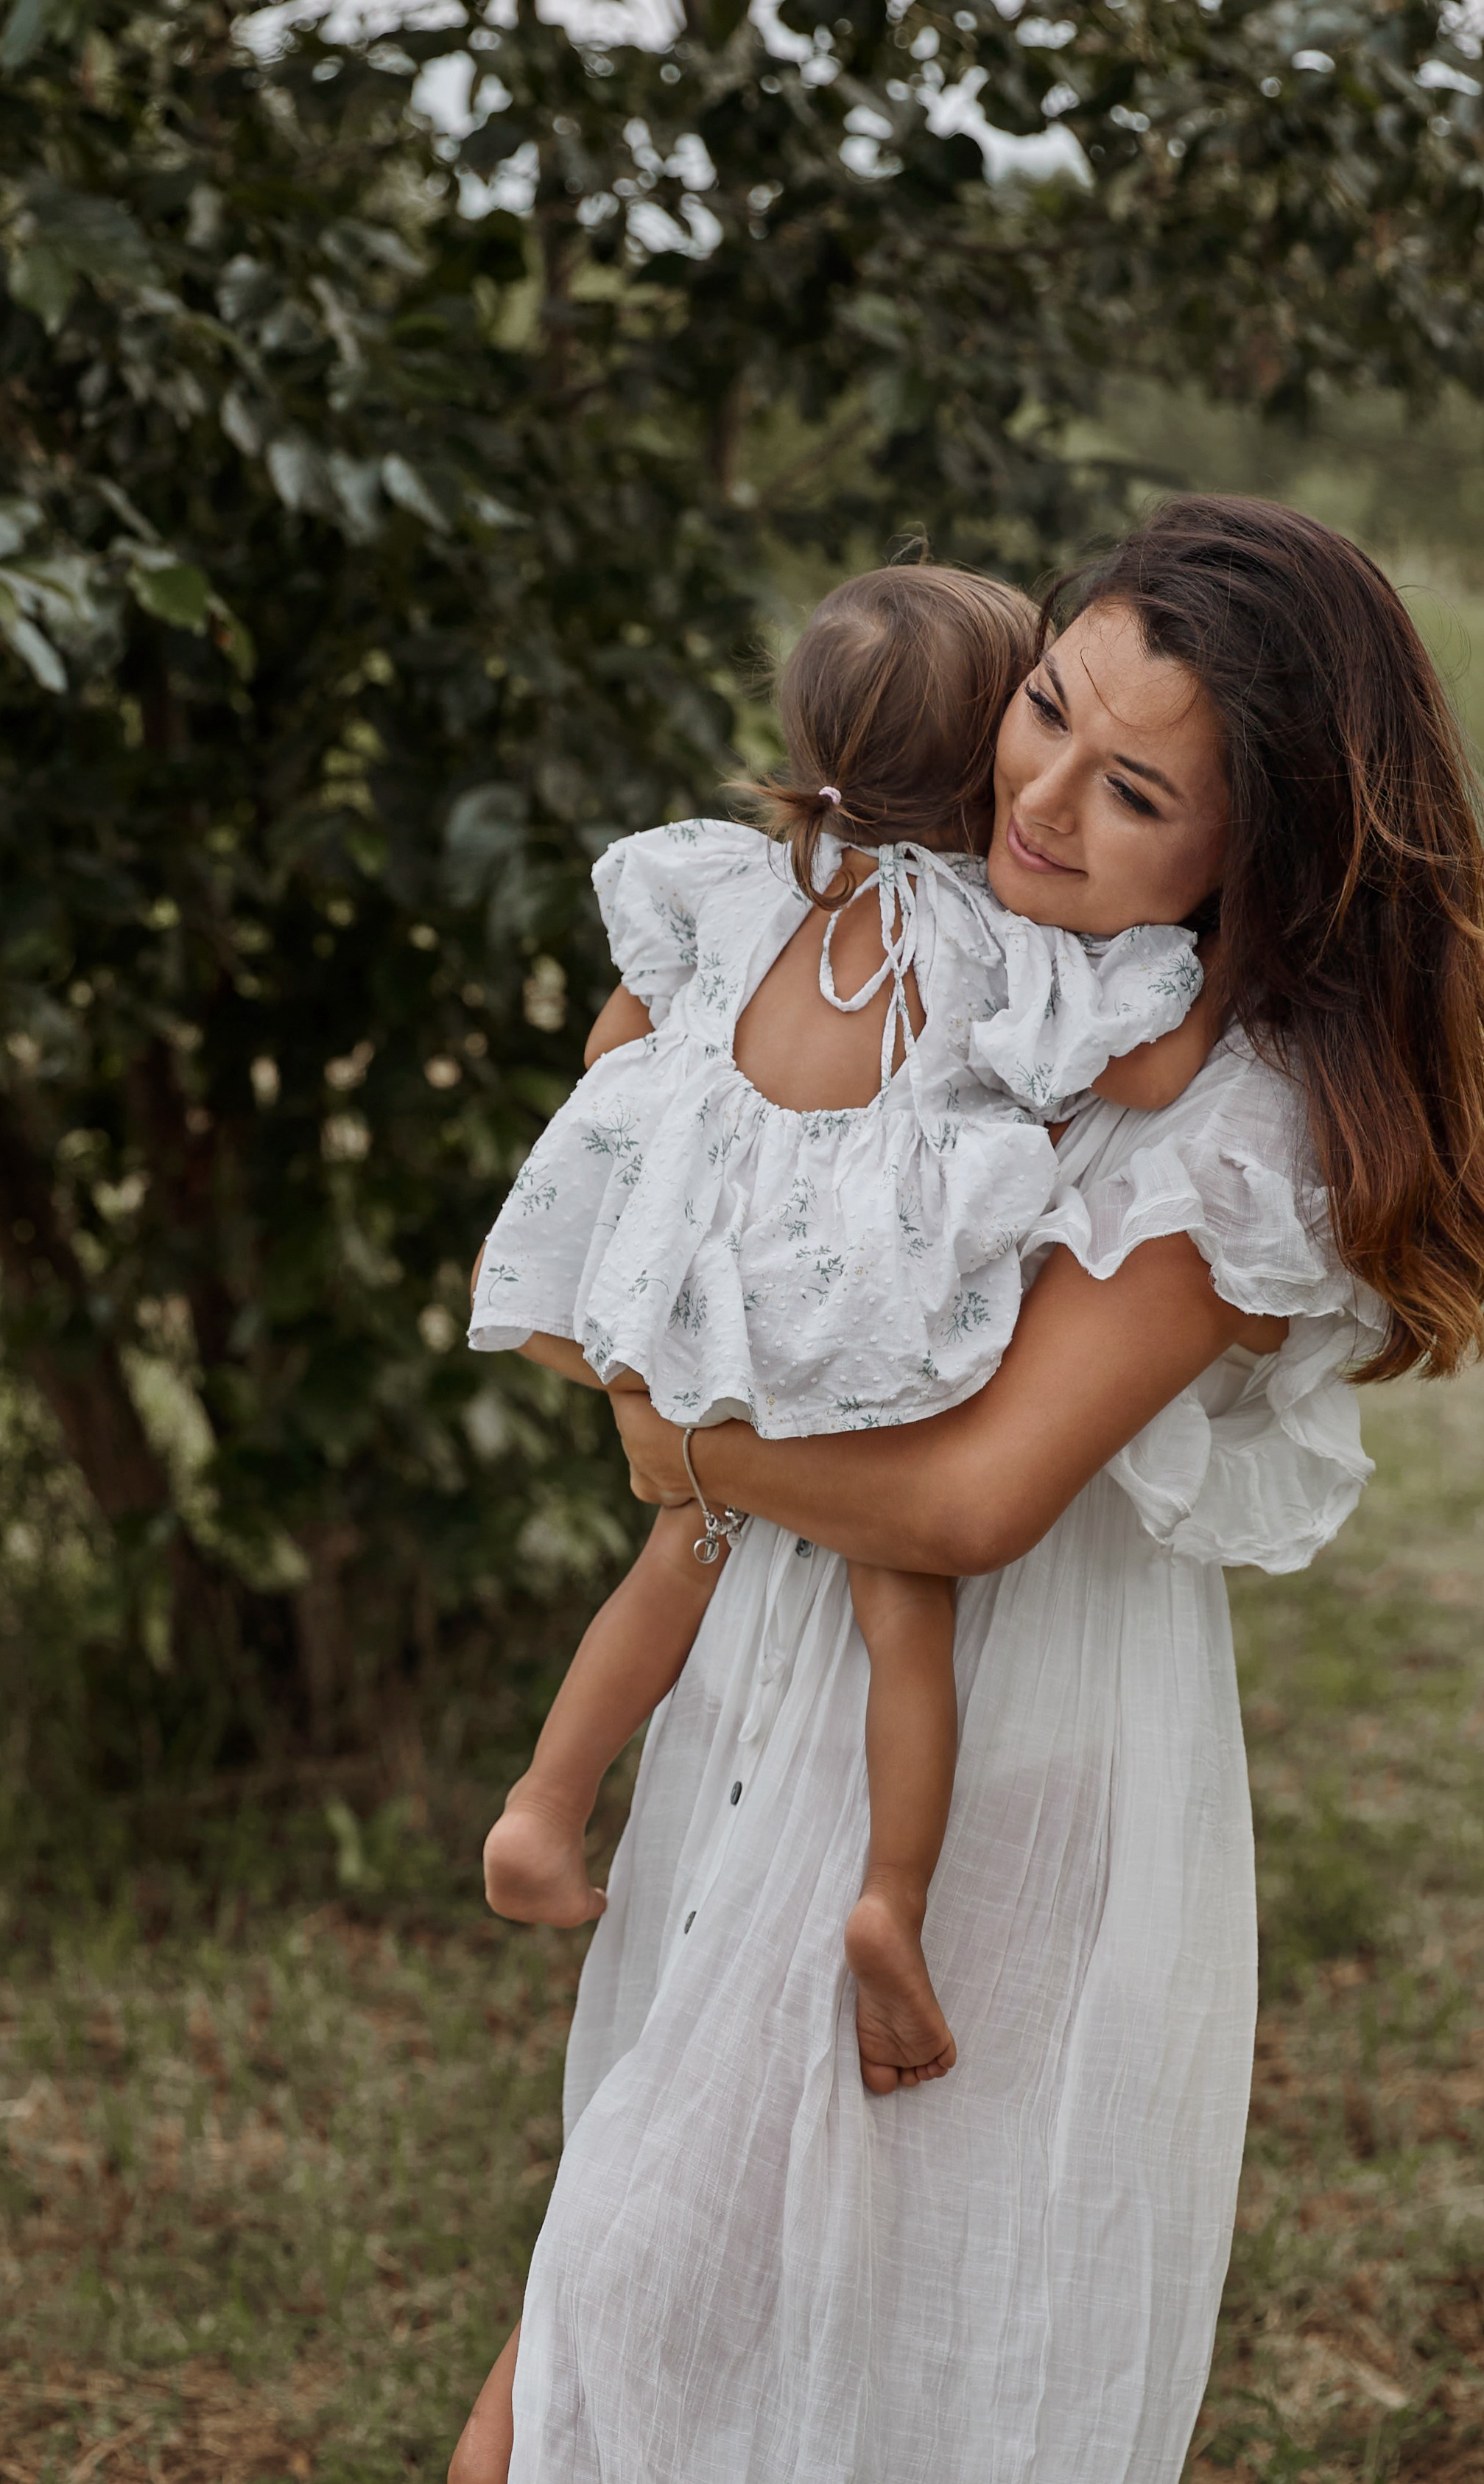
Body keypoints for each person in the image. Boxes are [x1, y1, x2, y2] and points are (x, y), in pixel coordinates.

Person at [449, 496, 1484, 2484]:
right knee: (629, 2280)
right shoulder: (912, 935)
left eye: (1138, 789)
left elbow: (974, 1499)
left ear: (1256, 851)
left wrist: (679, 1441)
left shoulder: (1242, 1119)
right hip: (766, 1683)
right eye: (1042, 709)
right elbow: (645, 1152)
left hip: (1002, 1760)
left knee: (816, 2336)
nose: (1044, 800)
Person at [468, 563, 1215, 2095]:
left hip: (717, 1302)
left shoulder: (738, 881)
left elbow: (621, 1051)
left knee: (675, 1554)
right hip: (864, 1329)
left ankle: (542, 1806)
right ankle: (889, 1898)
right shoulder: (986, 944)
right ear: (978, 759)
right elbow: (1139, 1078)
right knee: (905, 1619)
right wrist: (1213, 996)